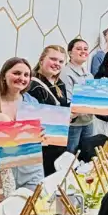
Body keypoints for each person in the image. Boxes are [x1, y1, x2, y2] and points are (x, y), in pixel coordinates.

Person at [0, 57, 44, 191]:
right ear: (3, 75)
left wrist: (42, 135)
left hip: (31, 168)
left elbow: (42, 136)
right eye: (16, 73)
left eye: (26, 75)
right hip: (1, 170)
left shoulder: (32, 103)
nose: (22, 78)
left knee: (33, 207)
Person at [29, 45, 73, 174]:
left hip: (59, 143)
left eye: (60, 61)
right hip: (42, 147)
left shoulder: (60, 84)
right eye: (53, 59)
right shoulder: (32, 85)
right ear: (41, 60)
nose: (57, 64)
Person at [62, 38, 94, 153]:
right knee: (71, 155)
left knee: (87, 153)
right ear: (70, 53)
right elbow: (69, 101)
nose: (83, 51)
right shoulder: (65, 72)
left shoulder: (89, 75)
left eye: (85, 49)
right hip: (74, 124)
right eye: (79, 49)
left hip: (89, 121)